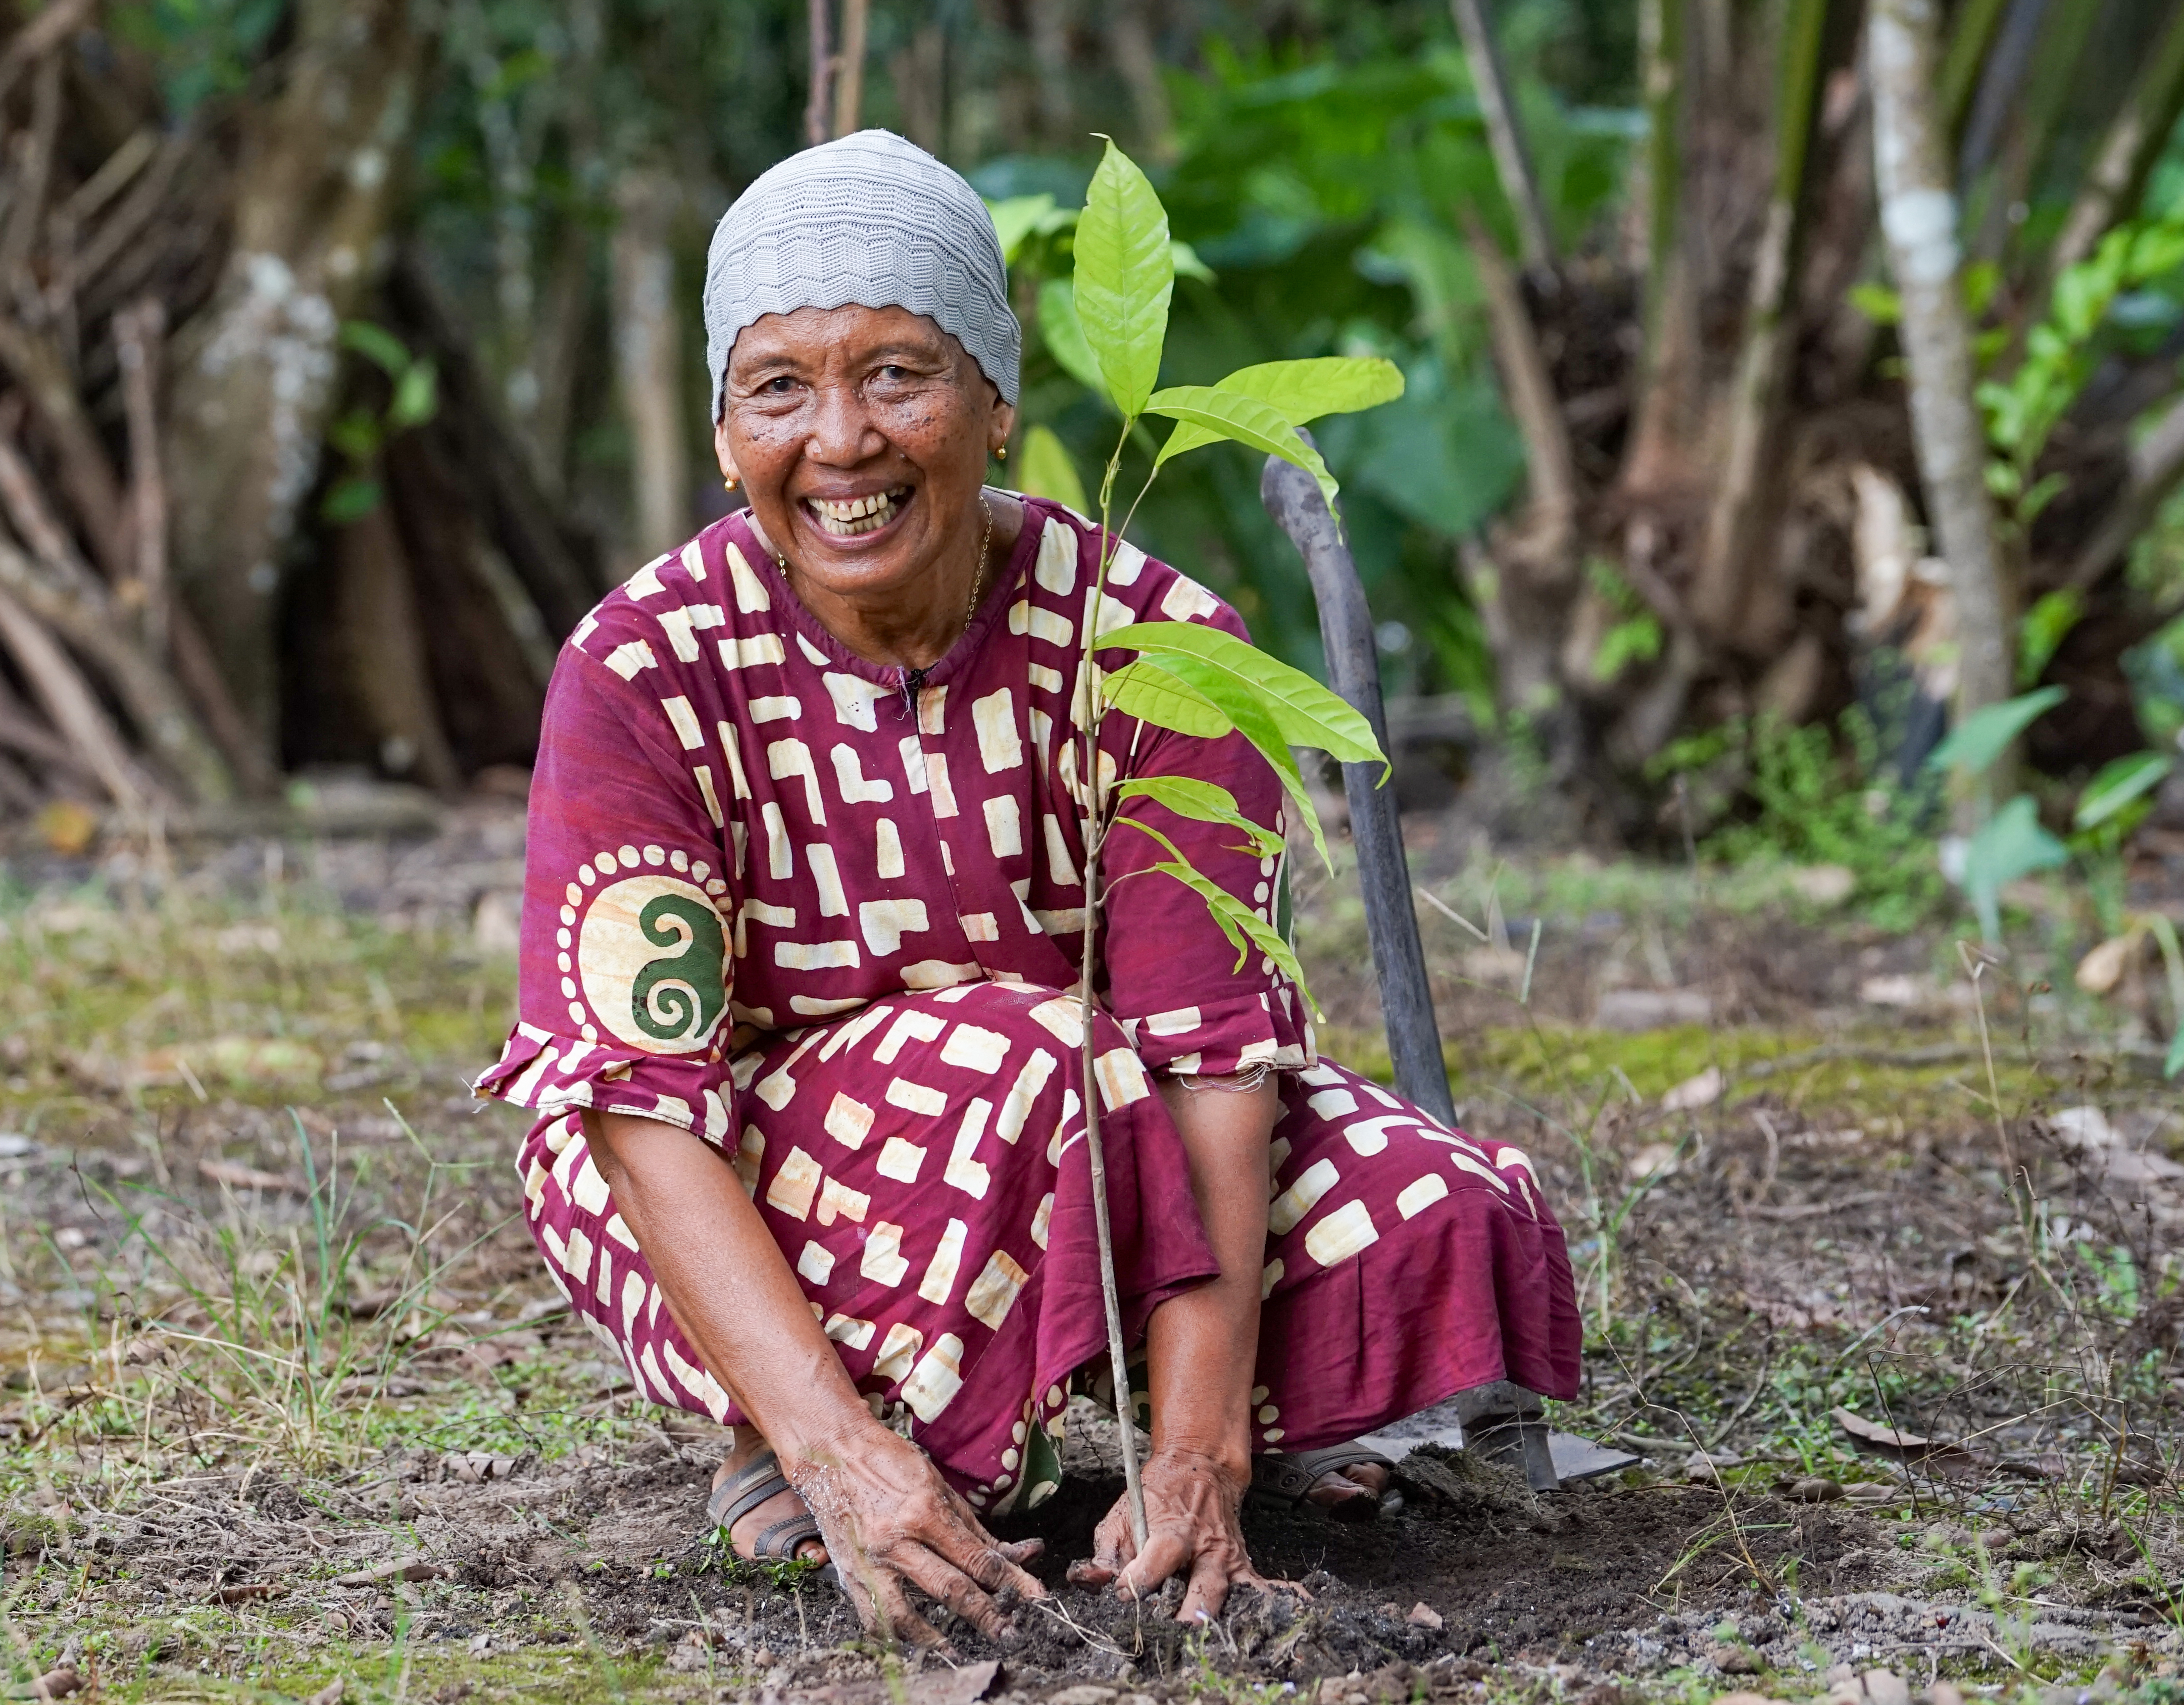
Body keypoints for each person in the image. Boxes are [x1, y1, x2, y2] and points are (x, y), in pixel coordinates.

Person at [475, 129, 1581, 1643]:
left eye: (898, 375)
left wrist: (1202, 1453)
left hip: (1111, 1128)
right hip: (754, 1170)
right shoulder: (642, 668)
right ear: (726, 433)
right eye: (780, 388)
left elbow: (1207, 1062)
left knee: (1424, 1207)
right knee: (1038, 1060)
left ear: (997, 405)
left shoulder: (1160, 642)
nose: (843, 441)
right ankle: (820, 1449)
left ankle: (1169, 1461)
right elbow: (638, 1106)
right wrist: (830, 1448)